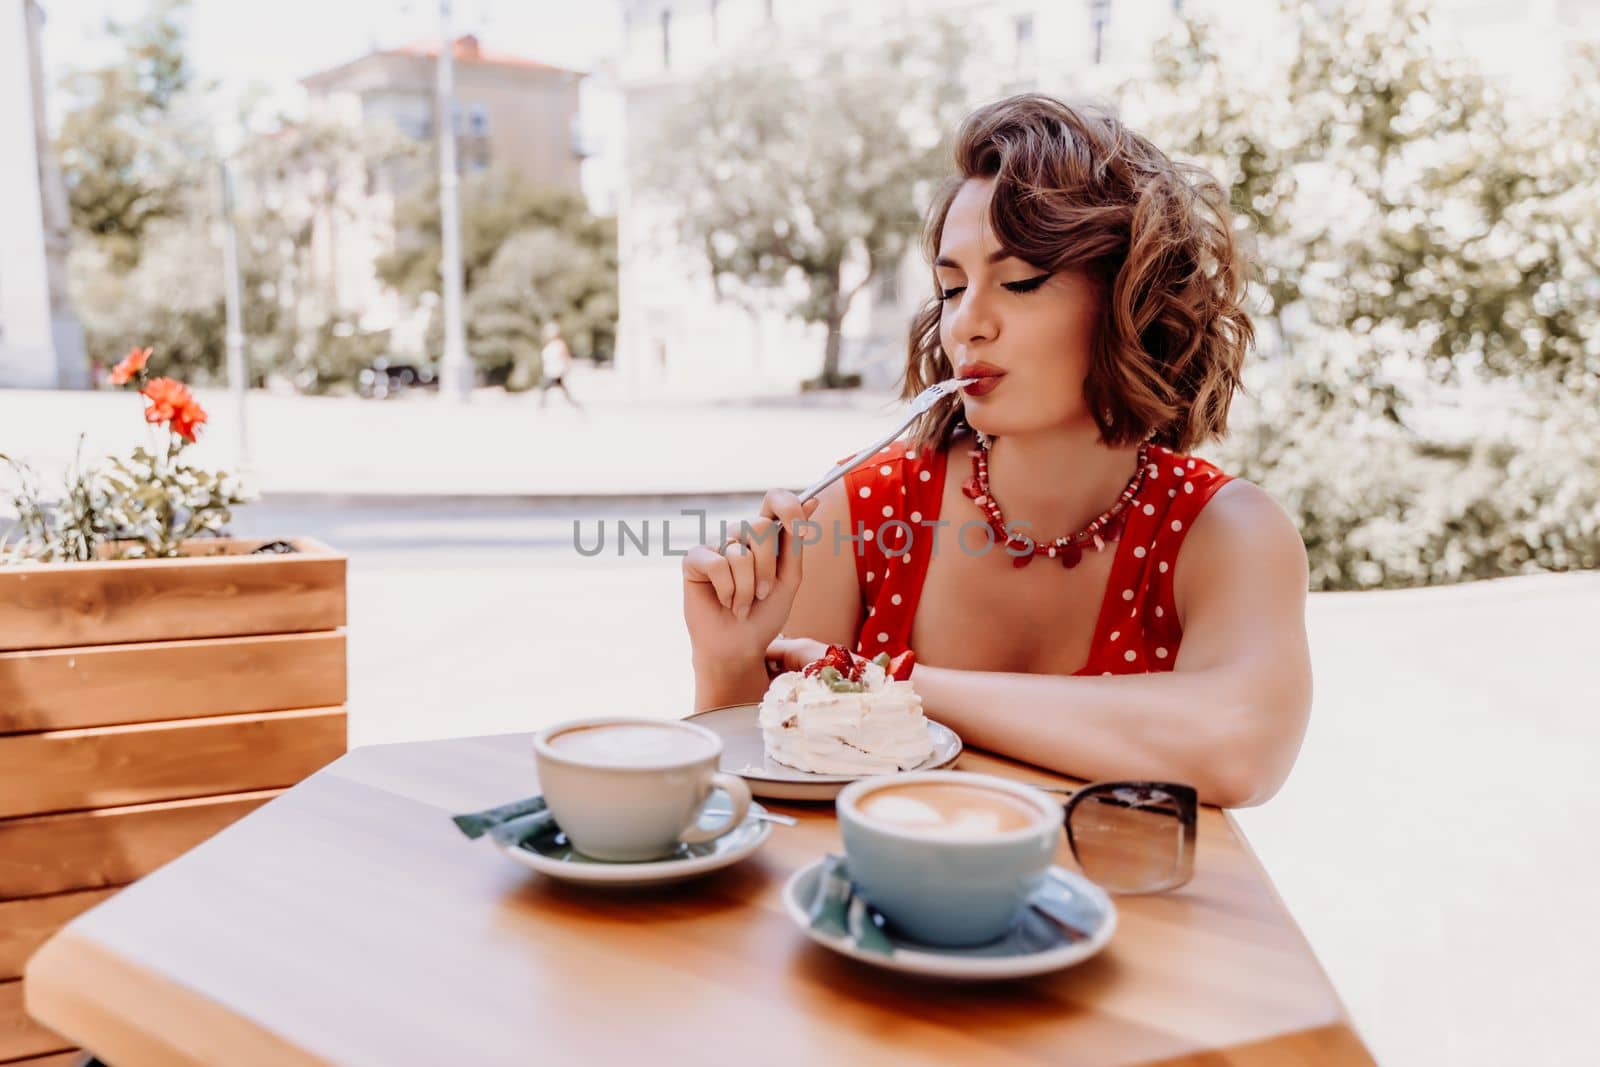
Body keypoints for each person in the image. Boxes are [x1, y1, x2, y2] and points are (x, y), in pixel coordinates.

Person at [681, 95, 1313, 808]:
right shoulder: (857, 513)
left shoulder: (1226, 534)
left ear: (1129, 298)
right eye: (952, 288)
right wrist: (727, 663)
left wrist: (888, 683)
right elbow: (762, 804)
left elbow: (1239, 748)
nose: (966, 325)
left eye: (1019, 282)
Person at [539, 322, 583, 411]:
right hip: (551, 371)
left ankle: (541, 406)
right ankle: (574, 404)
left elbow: (565, 356)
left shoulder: (559, 344)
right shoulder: (550, 344)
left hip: (556, 371)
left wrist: (566, 367)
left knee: (545, 388)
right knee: (560, 390)